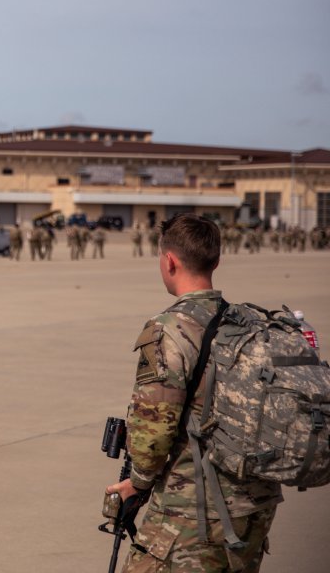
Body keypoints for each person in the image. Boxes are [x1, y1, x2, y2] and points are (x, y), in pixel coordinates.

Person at [105, 214, 281, 573]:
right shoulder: (247, 322)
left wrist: (136, 484)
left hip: (194, 513)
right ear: (215, 261)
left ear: (169, 261)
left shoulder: (170, 329)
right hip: (254, 507)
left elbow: (153, 434)